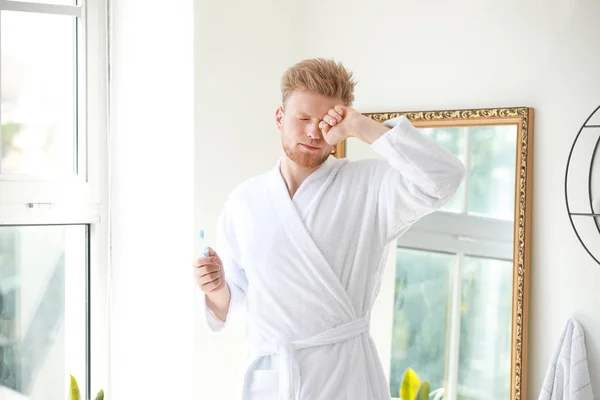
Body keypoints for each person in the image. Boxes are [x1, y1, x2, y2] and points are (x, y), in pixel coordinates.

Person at [194, 58, 465, 400]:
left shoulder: (369, 186)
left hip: (342, 379)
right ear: (280, 118)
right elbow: (233, 303)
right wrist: (215, 288)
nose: (312, 132)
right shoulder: (244, 201)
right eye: (303, 119)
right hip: (272, 379)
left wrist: (361, 127)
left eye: (323, 122)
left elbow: (445, 178)